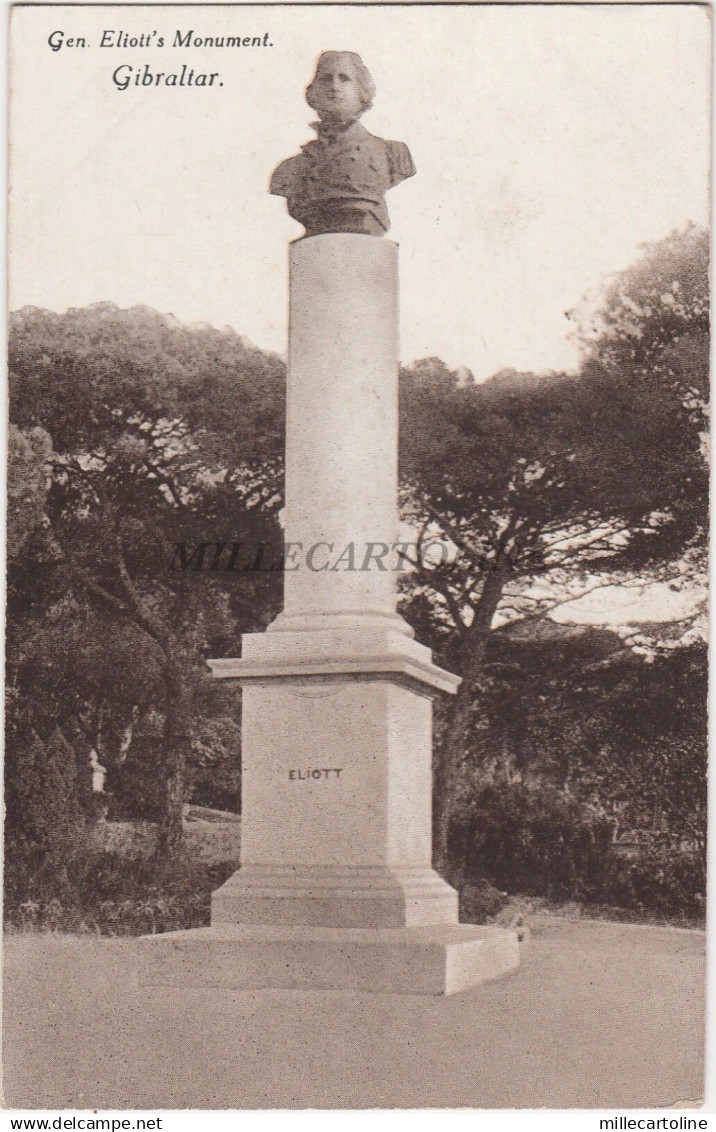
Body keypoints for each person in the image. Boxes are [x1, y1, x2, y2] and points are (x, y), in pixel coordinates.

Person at [270, 51, 416, 237]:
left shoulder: (392, 154)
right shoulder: (292, 168)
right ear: (314, 93)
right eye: (326, 79)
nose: (334, 86)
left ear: (362, 91)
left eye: (344, 79)